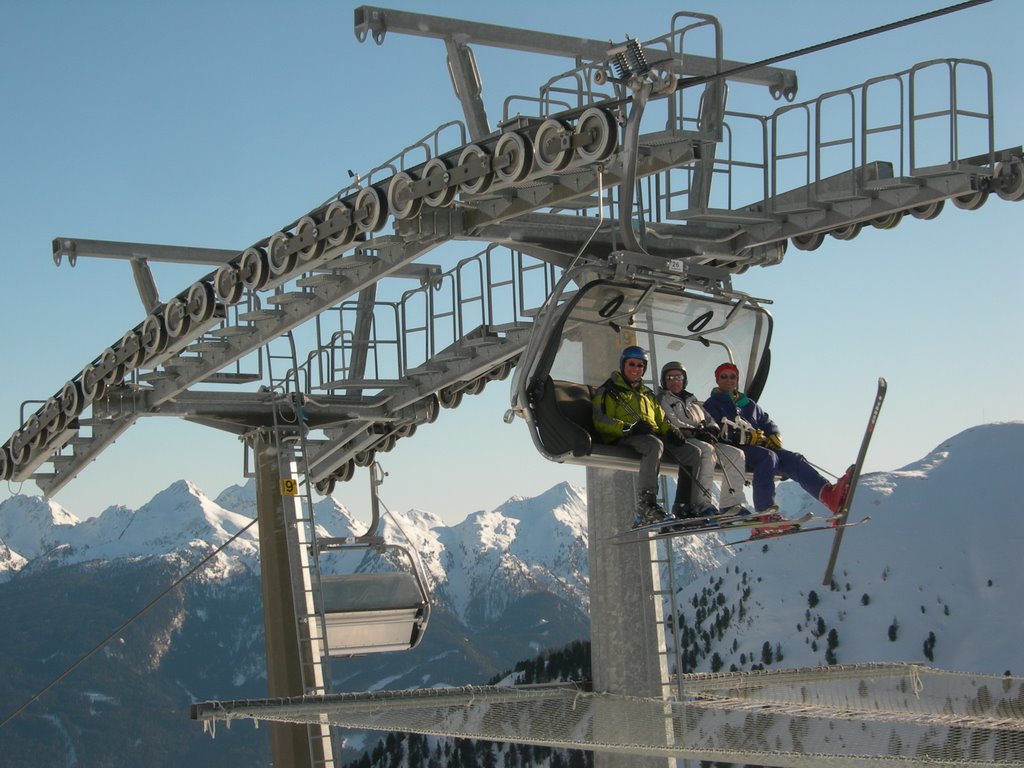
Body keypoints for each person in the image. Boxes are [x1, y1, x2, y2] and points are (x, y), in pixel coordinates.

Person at [703, 362, 852, 520]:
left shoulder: (749, 404)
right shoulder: (712, 404)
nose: (728, 380)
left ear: (737, 379)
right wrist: (742, 437)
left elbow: (766, 422)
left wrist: (773, 435)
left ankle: (827, 494)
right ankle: (764, 510)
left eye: (732, 377)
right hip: (734, 450)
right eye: (723, 377)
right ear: (717, 380)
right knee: (767, 457)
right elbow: (714, 430)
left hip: (758, 449)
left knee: (794, 459)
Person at [592, 346, 702, 528]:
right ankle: (646, 504)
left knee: (692, 452)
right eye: (631, 364)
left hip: (649, 434)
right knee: (654, 445)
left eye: (640, 365)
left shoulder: (646, 394)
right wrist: (629, 428)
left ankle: (683, 505)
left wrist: (671, 430)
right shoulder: (608, 390)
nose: (635, 369)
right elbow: (600, 420)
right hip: (624, 437)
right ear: (623, 365)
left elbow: (661, 418)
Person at [657, 361, 750, 518]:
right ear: (664, 380)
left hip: (702, 438)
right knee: (707, 451)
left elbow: (708, 418)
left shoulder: (691, 400)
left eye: (678, 377)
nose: (675, 381)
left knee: (736, 454)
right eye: (670, 377)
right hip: (683, 439)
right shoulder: (663, 399)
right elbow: (671, 421)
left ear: (684, 379)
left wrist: (712, 428)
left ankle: (730, 503)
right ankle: (702, 503)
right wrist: (697, 431)